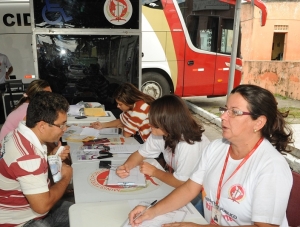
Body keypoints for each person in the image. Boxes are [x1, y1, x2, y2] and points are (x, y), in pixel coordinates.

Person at [128, 84, 293, 227]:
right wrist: (152, 211)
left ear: (259, 123)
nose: (223, 117)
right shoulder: (216, 148)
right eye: (225, 109)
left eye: (234, 112)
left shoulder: (272, 166)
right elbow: (189, 188)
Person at [116, 94, 210, 215]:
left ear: (168, 123)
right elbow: (140, 153)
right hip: (182, 187)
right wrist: (126, 166)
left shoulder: (189, 144)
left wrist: (155, 172)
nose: (149, 125)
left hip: (201, 196)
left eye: (154, 123)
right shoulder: (161, 134)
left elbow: (182, 183)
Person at [0, 91, 72, 227]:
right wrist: (66, 178)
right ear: (42, 126)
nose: (64, 129)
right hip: (19, 221)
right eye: (61, 125)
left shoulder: (17, 133)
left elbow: (27, 171)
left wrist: (52, 157)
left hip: (26, 208)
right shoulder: (28, 157)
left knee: (78, 211)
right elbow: (42, 206)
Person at [90, 82, 154, 142]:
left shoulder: (140, 107)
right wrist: (102, 125)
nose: (118, 106)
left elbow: (126, 134)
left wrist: (122, 128)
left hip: (147, 142)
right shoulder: (132, 106)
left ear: (128, 101)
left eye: (120, 104)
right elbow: (121, 121)